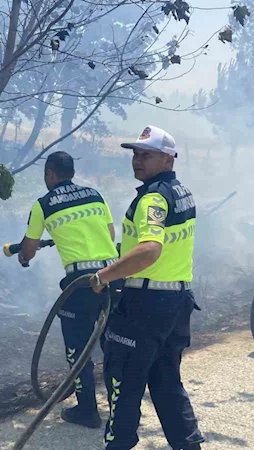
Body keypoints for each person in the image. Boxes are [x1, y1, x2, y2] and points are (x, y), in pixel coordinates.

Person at [89, 125, 205, 450]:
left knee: (123, 384)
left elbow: (150, 249)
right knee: (167, 385)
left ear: (168, 159)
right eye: (135, 154)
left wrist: (105, 276)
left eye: (147, 155)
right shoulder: (180, 192)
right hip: (176, 303)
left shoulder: (152, 198)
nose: (137, 161)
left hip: (145, 307)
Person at [17, 150, 119, 428]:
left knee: (78, 349)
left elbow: (29, 248)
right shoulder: (95, 195)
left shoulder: (44, 205)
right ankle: (120, 411)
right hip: (113, 277)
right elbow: (109, 235)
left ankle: (87, 412)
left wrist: (24, 256)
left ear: (50, 174)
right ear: (72, 172)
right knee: (114, 346)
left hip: (82, 285)